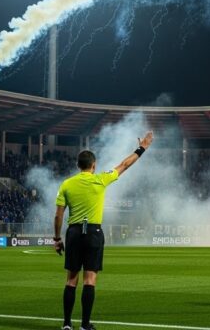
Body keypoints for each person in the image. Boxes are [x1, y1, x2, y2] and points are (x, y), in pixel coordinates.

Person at [53, 131, 154, 330]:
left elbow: (58, 215)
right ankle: (84, 325)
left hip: (73, 233)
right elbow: (124, 165)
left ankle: (66, 324)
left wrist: (57, 238)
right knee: (90, 279)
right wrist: (142, 148)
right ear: (94, 165)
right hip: (93, 233)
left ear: (77, 166)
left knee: (71, 279)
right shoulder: (101, 179)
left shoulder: (66, 184)